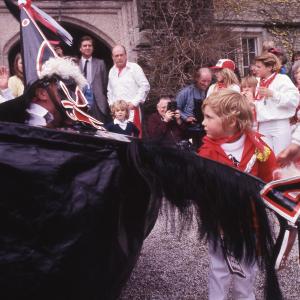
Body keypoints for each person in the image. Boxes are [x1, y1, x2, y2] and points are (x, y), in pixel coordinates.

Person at [198, 89, 277, 300]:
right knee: (219, 268)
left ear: (231, 121)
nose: (203, 122)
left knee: (247, 270)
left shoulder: (259, 147)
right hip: (220, 223)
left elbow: (270, 180)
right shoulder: (206, 153)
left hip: (251, 224)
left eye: (209, 117)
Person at [0, 57, 88, 128]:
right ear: (42, 93)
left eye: (72, 92)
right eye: (64, 89)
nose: (72, 98)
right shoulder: (24, 120)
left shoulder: (57, 120)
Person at [254, 52, 300, 155]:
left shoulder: (282, 79)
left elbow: (294, 100)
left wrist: (273, 94)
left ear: (269, 67)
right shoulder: (257, 81)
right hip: (262, 125)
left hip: (279, 124)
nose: (255, 69)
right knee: (266, 160)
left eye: (259, 66)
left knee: (280, 159)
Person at [107, 45, 150, 136]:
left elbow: (145, 86)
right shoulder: (112, 71)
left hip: (132, 111)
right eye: (116, 56)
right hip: (117, 113)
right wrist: (112, 105)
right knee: (118, 138)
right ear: (112, 57)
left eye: (121, 55)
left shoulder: (134, 68)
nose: (119, 58)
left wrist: (134, 103)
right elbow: (109, 91)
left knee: (134, 138)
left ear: (126, 55)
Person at [175, 67, 212, 148]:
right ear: (196, 78)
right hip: (189, 129)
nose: (206, 84)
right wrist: (185, 117)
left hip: (203, 129)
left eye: (208, 81)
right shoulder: (185, 92)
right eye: (203, 81)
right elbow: (175, 108)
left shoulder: (209, 91)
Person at [79, 35, 110, 123]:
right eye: (85, 46)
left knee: (100, 131)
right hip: (80, 103)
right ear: (80, 49)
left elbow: (105, 85)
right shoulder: (75, 64)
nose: (87, 47)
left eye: (90, 45)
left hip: (98, 104)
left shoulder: (100, 63)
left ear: (93, 48)